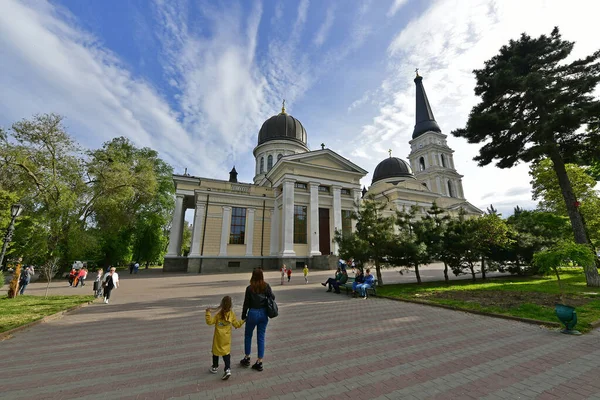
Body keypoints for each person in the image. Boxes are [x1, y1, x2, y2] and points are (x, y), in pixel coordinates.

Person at [240, 268, 274, 372]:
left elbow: (246, 303)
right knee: (261, 337)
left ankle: (247, 357)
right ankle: (259, 361)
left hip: (252, 313)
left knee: (248, 335)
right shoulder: (266, 286)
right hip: (263, 313)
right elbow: (273, 297)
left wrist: (243, 315)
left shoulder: (249, 288)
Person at [206, 296, 245, 380]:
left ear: (221, 304)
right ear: (231, 306)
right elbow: (236, 325)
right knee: (226, 353)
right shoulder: (231, 314)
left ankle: (215, 367)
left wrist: (208, 313)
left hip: (218, 338)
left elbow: (209, 322)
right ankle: (227, 369)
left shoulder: (218, 315)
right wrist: (243, 321)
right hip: (226, 338)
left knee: (215, 352)